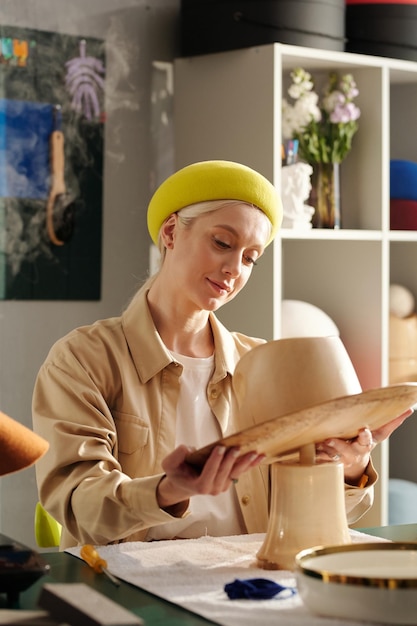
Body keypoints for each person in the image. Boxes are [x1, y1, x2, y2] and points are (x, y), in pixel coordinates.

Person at [32, 160, 410, 549]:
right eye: (222, 243)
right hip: (128, 587)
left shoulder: (262, 364)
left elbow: (313, 517)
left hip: (246, 584)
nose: (233, 269)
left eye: (250, 257)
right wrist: (166, 491)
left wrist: (349, 465)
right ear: (171, 232)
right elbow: (76, 501)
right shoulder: (82, 359)